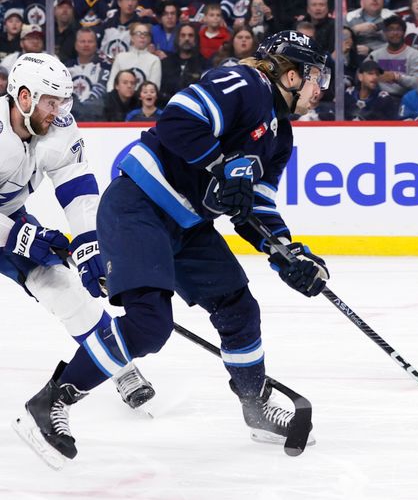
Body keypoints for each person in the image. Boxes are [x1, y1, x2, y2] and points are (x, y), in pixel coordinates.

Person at [14, 30, 331, 468]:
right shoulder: (245, 84)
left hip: (188, 227)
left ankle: (256, 407)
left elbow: (253, 207)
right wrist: (221, 166)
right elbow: (178, 119)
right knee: (150, 326)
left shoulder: (281, 138)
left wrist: (287, 253)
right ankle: (52, 401)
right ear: (291, 74)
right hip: (138, 206)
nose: (322, 88)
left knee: (239, 307)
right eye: (316, 76)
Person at [6, 55, 156, 464]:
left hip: (8, 216)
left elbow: (77, 185)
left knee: (64, 288)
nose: (59, 113)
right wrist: (23, 235)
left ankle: (116, 364)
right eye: (50, 103)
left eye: (63, 102)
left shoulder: (56, 126)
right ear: (23, 96)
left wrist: (89, 244)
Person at [366, 15, 418, 102]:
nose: (395, 33)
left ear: (404, 33)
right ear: (385, 33)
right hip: (378, 100)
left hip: (406, 99)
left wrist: (397, 77)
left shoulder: (415, 55)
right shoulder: (375, 55)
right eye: (390, 29)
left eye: (398, 29)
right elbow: (361, 74)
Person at [107, 22, 162, 92]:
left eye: (146, 34)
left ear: (149, 39)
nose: (142, 36)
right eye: (138, 33)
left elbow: (154, 87)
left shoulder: (154, 60)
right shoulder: (120, 57)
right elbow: (112, 83)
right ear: (132, 37)